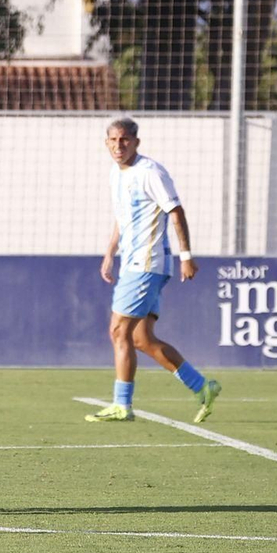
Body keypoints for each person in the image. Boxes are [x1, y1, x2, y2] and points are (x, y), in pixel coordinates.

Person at [85, 117, 222, 425]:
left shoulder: (150, 172)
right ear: (106, 144)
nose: (119, 146)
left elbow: (176, 211)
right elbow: (124, 217)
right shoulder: (116, 175)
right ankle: (203, 387)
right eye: (113, 141)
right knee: (140, 338)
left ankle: (122, 405)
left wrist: (187, 256)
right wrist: (110, 254)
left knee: (118, 331)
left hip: (147, 264)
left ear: (136, 142)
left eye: (124, 140)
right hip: (132, 263)